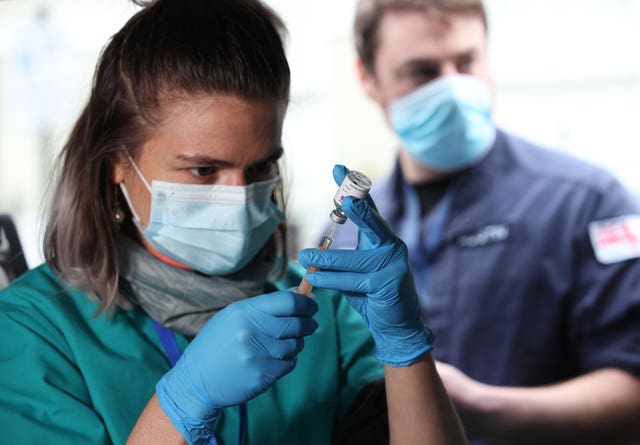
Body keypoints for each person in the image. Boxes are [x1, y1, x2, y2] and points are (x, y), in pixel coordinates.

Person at [0, 1, 468, 444]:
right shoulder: (35, 330)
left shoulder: (320, 312)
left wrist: (406, 349)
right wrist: (181, 404)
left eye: (261, 167)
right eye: (203, 170)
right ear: (115, 164)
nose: (239, 195)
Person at [326, 0, 640, 444]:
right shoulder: (349, 228)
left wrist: (481, 407)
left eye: (467, 61)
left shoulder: (585, 202)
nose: (453, 87)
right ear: (367, 78)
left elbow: (632, 386)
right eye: (423, 72)